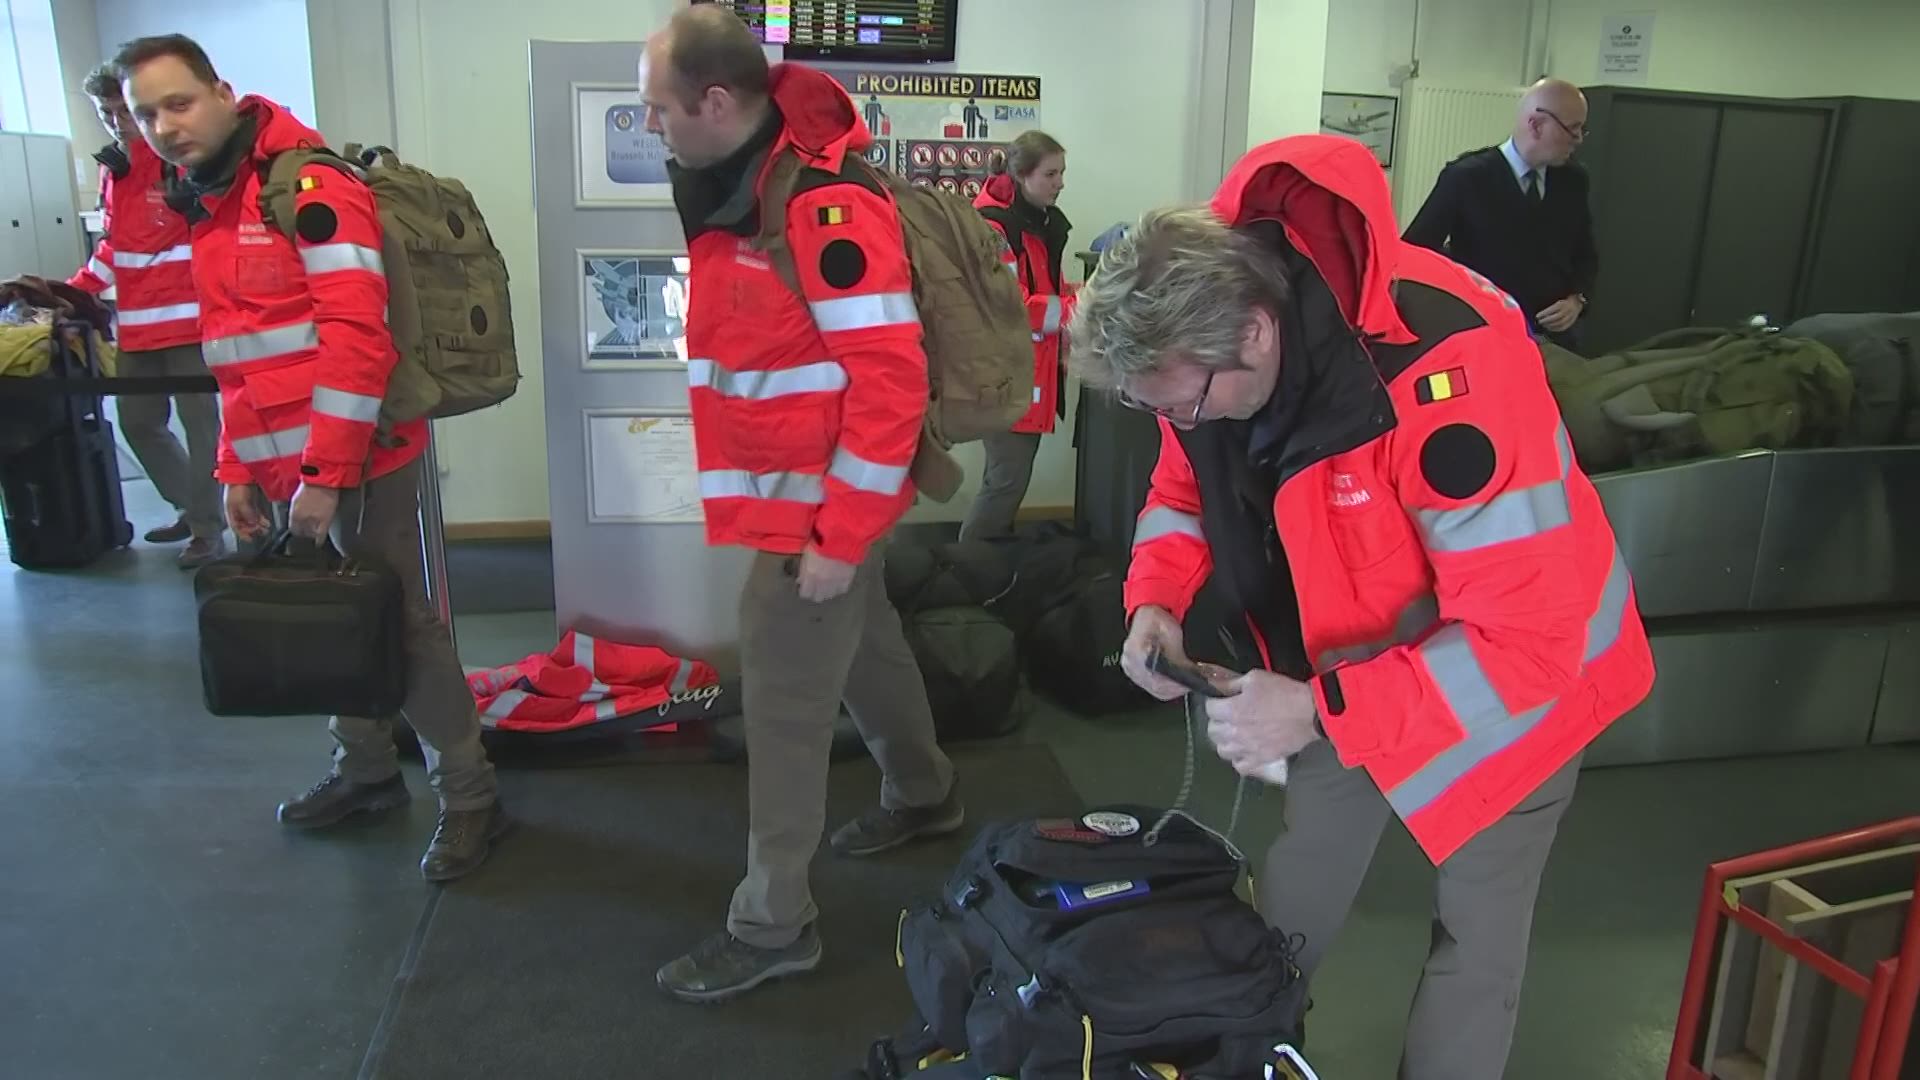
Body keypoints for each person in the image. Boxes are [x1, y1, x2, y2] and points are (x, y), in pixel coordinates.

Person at [1070, 134, 1655, 1079]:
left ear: (1255, 334)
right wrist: (1154, 602)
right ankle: (1237, 1044)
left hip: (1512, 691)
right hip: (1347, 662)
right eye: (1159, 412)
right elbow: (1184, 490)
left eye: (1183, 405)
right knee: (1303, 871)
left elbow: (1526, 641)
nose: (1179, 427)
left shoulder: (1451, 373)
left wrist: (1312, 708)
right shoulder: (1213, 361)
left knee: (1477, 936)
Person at [115, 34, 507, 881]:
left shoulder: (310, 185)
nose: (163, 127)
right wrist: (234, 472)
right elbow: (240, 357)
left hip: (361, 455)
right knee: (331, 617)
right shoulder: (215, 201)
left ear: (223, 91)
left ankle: (472, 796)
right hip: (283, 466)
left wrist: (327, 476)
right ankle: (367, 773)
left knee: (397, 619)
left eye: (178, 103)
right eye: (146, 114)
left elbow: (358, 340)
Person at [640, 6, 960, 1003]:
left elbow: (891, 388)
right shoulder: (744, 190)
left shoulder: (822, 209)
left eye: (658, 109)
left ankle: (774, 923)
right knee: (864, 645)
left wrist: (839, 535)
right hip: (802, 501)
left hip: (818, 512)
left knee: (783, 703)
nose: (651, 126)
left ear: (718, 102)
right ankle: (924, 792)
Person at [67, 61, 225, 568]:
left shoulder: (183, 162)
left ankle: (207, 529)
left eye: (123, 110)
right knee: (138, 423)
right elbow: (116, 244)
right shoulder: (115, 167)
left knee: (202, 428)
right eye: (105, 112)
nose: (116, 121)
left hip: (190, 323)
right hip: (136, 325)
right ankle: (192, 506)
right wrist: (72, 292)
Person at [1403, 78, 1598, 353]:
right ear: (1536, 125)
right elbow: (1415, 252)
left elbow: (1586, 255)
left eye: (1582, 129)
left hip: (1556, 341)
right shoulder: (1466, 178)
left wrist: (1578, 300)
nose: (1578, 140)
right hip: (1484, 339)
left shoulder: (1574, 181)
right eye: (1572, 129)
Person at [961, 130, 1072, 541]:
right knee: (1005, 484)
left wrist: (1089, 295)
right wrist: (1079, 311)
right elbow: (1012, 306)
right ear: (1022, 176)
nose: (1060, 182)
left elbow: (1050, 290)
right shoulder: (996, 229)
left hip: (1024, 373)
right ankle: (969, 567)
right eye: (1051, 173)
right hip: (1004, 376)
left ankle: (987, 559)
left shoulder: (1034, 225)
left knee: (1008, 481)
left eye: (1062, 173)